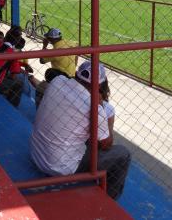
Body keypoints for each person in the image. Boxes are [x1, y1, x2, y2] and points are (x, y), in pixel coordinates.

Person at [30, 61, 131, 200]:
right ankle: (108, 200)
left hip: (36, 155)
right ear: (99, 86)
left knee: (85, 133)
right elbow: (106, 144)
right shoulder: (94, 105)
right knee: (123, 154)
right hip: (61, 169)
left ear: (77, 75)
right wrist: (101, 105)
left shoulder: (58, 81)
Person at [34, 28, 78, 106]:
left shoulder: (54, 51)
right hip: (72, 77)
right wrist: (75, 63)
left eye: (48, 37)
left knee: (40, 88)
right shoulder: (70, 43)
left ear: (51, 39)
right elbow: (77, 46)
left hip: (60, 79)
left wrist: (44, 46)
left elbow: (42, 61)